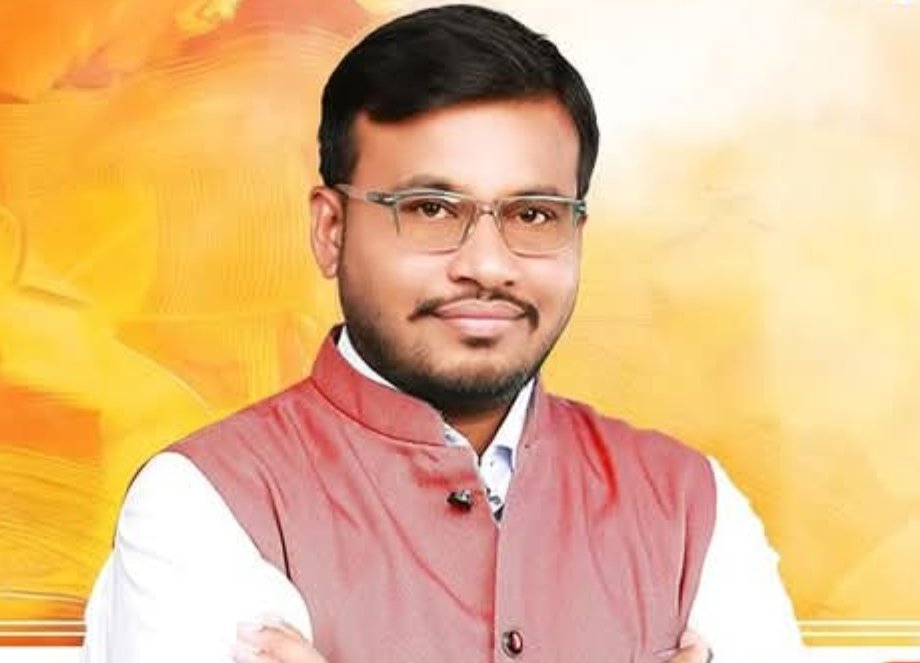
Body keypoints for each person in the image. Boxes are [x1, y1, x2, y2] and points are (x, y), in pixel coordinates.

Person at [82, 4, 804, 662]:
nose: (487, 265)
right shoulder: (201, 505)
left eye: (533, 214)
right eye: (430, 209)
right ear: (330, 230)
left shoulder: (692, 507)